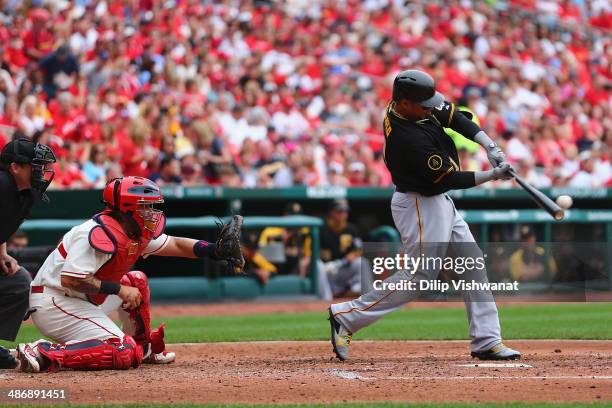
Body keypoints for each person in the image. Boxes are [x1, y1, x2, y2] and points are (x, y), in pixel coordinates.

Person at [328, 70, 521, 361]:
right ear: (404, 103)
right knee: (420, 276)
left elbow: (455, 116)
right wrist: (492, 174)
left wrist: (489, 145)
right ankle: (346, 316)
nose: (431, 108)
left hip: (436, 201)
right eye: (424, 104)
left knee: (471, 265)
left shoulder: (412, 106)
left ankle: (486, 340)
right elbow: (448, 179)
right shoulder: (407, 139)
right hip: (419, 204)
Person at [16, 176, 244, 373]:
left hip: (78, 299)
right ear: (127, 207)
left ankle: (142, 349)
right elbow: (71, 279)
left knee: (137, 280)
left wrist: (214, 250)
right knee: (121, 349)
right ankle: (43, 352)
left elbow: (174, 244)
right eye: (146, 206)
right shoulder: (97, 232)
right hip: (54, 302)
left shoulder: (132, 230)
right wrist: (119, 289)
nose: (152, 212)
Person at [0, 138, 56, 369]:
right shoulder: (2, 185)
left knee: (19, 281)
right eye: (35, 166)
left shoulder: (24, 193)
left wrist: (2, 252)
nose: (40, 172)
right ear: (15, 167)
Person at [318, 199, 364, 300]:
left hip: (343, 268)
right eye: (339, 211)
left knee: (361, 262)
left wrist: (344, 261)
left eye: (345, 211)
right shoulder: (322, 229)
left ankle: (368, 296)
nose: (343, 214)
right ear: (331, 212)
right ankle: (325, 301)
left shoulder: (352, 229)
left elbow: (359, 249)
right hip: (327, 271)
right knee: (319, 267)